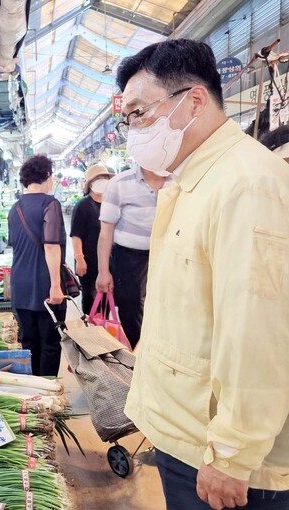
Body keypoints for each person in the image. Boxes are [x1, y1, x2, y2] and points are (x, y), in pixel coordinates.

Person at [117, 39, 289, 510]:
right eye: (127, 118)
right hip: (188, 431)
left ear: (193, 101)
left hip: (220, 454)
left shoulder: (246, 185)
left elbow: (257, 331)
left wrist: (233, 454)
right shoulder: (195, 179)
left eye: (139, 113)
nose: (133, 129)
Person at [95, 160, 173, 348]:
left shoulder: (178, 181)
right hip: (130, 260)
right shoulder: (119, 184)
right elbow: (105, 233)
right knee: (133, 311)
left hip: (168, 256)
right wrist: (103, 272)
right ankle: (138, 357)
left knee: (167, 309)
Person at [8, 154, 67, 376]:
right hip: (44, 283)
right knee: (50, 342)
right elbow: (51, 246)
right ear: (47, 176)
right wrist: (56, 286)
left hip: (20, 284)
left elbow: (15, 244)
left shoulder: (15, 208)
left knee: (29, 342)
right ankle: (48, 389)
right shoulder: (50, 204)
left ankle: (34, 390)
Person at [70, 163, 112, 315]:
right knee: (91, 300)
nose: (102, 180)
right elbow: (76, 235)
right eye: (98, 178)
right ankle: (91, 327)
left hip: (107, 262)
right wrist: (79, 258)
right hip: (89, 262)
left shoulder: (110, 204)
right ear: (90, 183)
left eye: (104, 177)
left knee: (106, 301)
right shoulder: (82, 206)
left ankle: (104, 327)